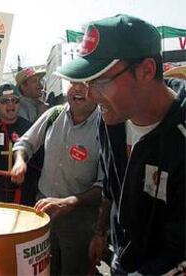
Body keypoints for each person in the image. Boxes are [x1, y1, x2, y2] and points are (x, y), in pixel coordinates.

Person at [54, 14, 185, 275]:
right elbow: (112, 190)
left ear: (146, 70)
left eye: (100, 81)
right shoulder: (110, 119)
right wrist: (100, 231)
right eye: (87, 82)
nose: (90, 94)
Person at [11, 82, 102, 275]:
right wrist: (20, 161)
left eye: (84, 84)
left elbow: (107, 185)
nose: (77, 89)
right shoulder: (53, 114)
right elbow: (24, 143)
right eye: (73, 83)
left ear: (96, 88)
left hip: (80, 221)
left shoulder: (106, 125)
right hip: (43, 212)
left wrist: (71, 202)